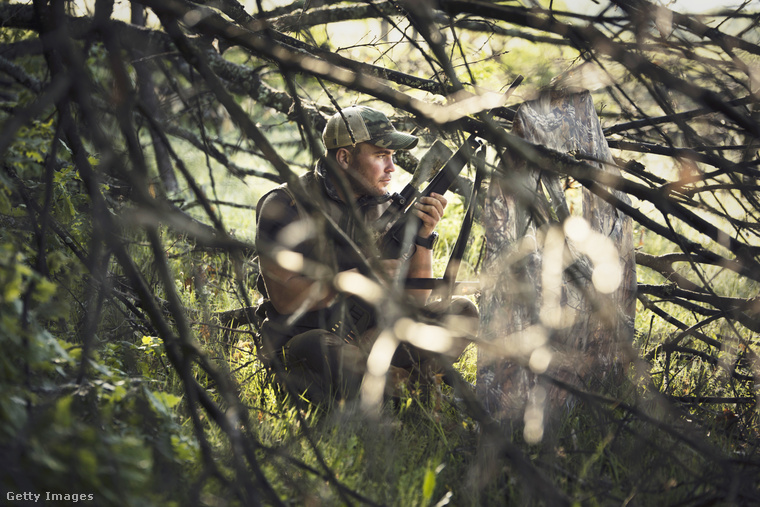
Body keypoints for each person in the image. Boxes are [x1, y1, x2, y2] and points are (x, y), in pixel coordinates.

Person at [255, 105, 477, 403]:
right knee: (312, 348)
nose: (392, 168)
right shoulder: (286, 204)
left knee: (462, 311)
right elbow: (284, 301)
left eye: (392, 157)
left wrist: (422, 238)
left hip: (375, 337)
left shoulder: (385, 207)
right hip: (310, 340)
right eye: (380, 155)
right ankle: (413, 389)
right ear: (344, 158)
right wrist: (358, 277)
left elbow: (415, 300)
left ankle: (399, 386)